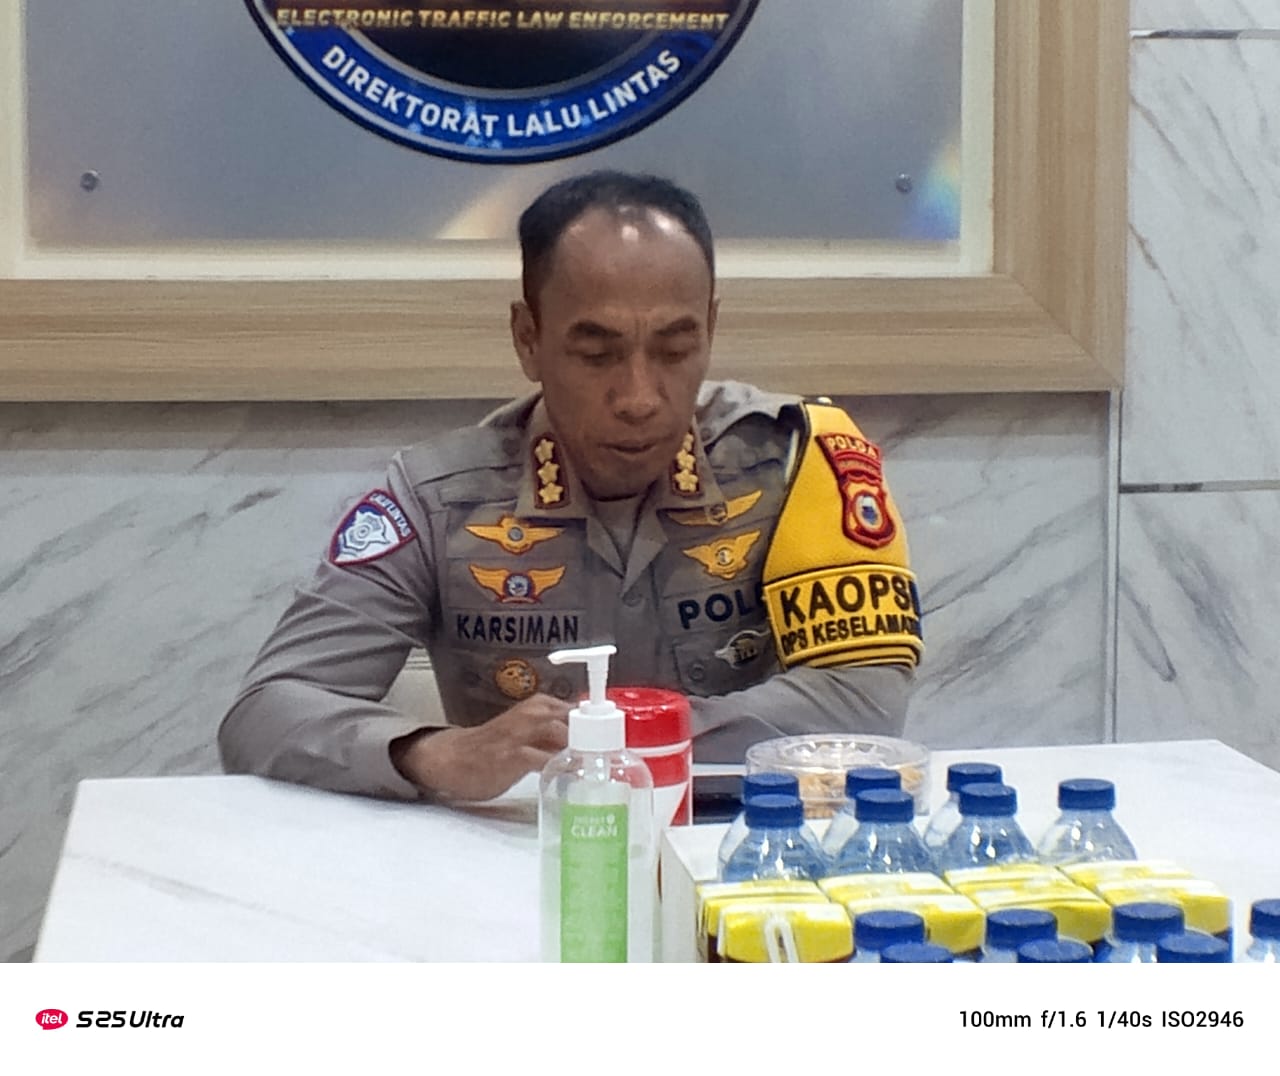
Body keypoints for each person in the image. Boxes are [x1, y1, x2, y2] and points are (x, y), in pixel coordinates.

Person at [219, 170, 924, 802]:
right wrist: (434, 754)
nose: (640, 397)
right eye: (596, 354)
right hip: (525, 857)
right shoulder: (438, 499)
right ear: (528, 338)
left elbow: (863, 701)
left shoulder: (797, 462)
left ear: (710, 327)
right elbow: (265, 712)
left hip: (745, 846)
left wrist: (616, 741)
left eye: (676, 350)